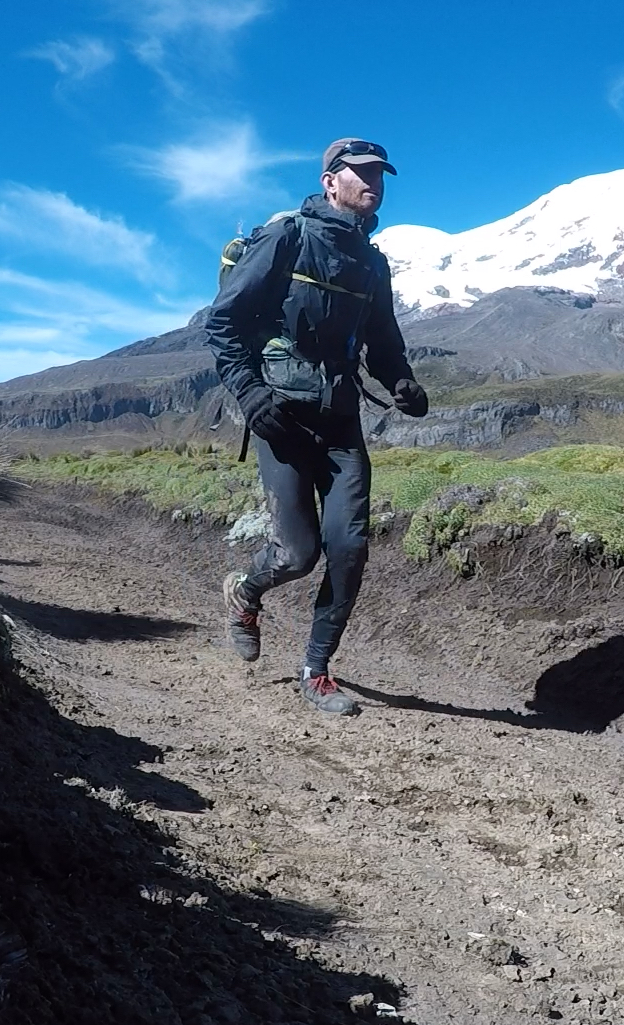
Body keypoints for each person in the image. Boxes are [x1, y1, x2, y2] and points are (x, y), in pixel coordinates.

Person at [204, 137, 430, 716]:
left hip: (339, 422)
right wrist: (252, 396)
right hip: (280, 420)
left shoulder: (372, 263)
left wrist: (401, 381)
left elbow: (382, 340)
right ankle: (247, 592)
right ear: (331, 180)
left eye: (380, 175)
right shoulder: (287, 238)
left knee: (349, 548)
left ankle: (317, 670)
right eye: (361, 173)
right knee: (297, 554)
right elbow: (223, 323)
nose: (373, 183)